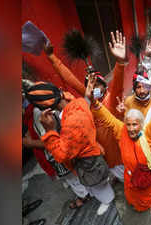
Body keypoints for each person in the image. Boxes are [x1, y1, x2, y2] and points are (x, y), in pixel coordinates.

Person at [43, 30, 127, 182]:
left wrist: (120, 63)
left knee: (124, 175)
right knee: (112, 170)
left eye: (98, 85)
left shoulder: (111, 101)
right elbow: (69, 78)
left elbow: (118, 84)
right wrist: (51, 57)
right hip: (99, 153)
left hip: (118, 154)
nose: (94, 87)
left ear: (105, 87)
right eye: (90, 84)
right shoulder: (87, 102)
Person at [29, 82, 114, 216]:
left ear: (45, 109)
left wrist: (50, 131)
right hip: (94, 155)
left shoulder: (70, 124)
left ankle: (108, 200)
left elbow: (62, 155)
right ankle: (106, 192)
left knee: (99, 187)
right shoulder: (79, 102)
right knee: (99, 182)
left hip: (88, 165)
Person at [88, 74, 151, 213]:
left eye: (135, 124)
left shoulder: (148, 135)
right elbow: (107, 117)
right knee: (132, 198)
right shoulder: (121, 131)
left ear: (141, 125)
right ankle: (137, 204)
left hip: (146, 180)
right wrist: (93, 100)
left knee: (147, 198)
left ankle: (148, 204)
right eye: (128, 124)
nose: (131, 128)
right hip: (130, 180)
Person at [119, 71, 151, 195]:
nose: (141, 91)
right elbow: (127, 122)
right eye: (138, 87)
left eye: (144, 87)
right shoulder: (129, 101)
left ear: (149, 87)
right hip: (137, 141)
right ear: (134, 88)